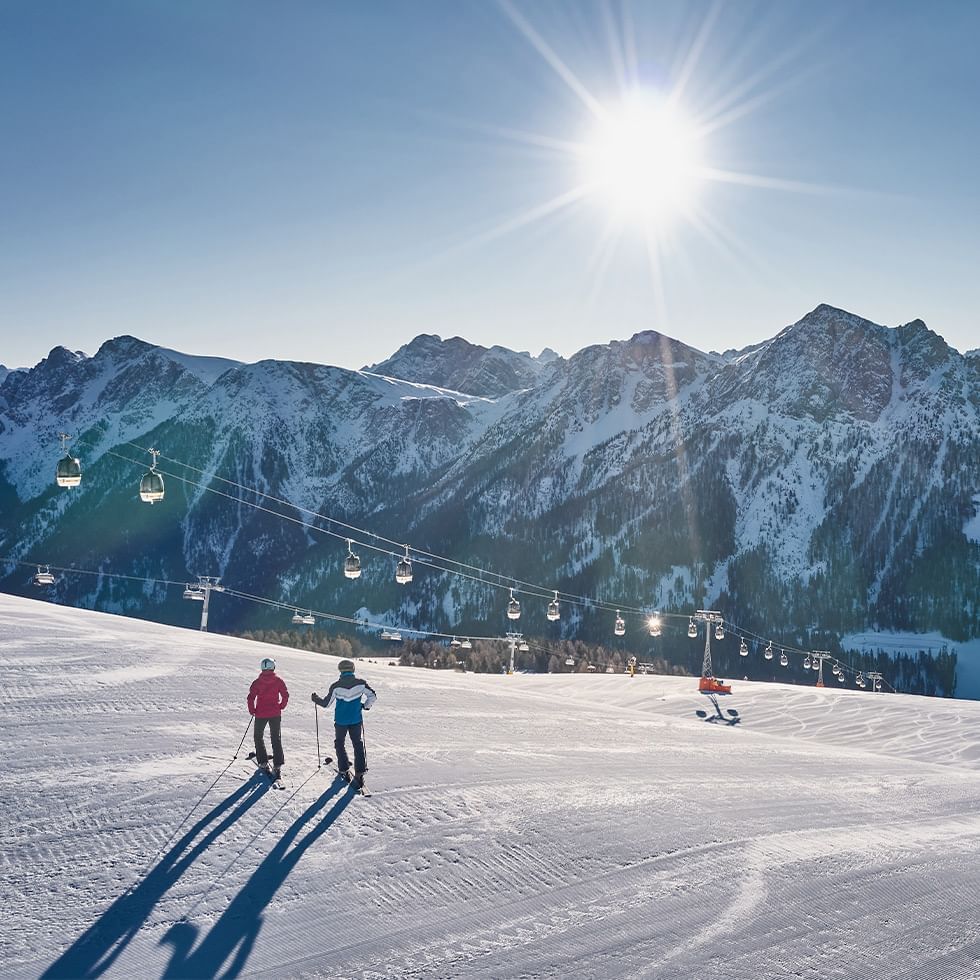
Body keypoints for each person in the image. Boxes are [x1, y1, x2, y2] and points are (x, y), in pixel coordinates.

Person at [312, 658, 376, 789]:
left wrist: (315, 699)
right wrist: (365, 706)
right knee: (357, 743)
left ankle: (344, 769)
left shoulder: (336, 686)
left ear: (340, 671)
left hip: (341, 721)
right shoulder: (361, 683)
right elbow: (373, 696)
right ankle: (360, 773)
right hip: (356, 719)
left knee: (339, 743)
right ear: (353, 670)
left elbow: (326, 703)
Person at [247, 657, 289, 780]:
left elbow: (250, 698)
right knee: (276, 738)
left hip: (260, 714)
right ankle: (278, 764)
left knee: (258, 736)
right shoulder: (278, 681)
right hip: (275, 713)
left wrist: (252, 710)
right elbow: (285, 695)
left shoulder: (257, 682)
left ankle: (263, 762)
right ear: (273, 667)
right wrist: (281, 706)